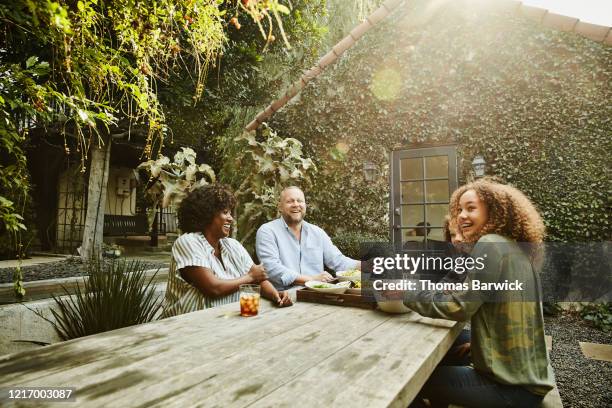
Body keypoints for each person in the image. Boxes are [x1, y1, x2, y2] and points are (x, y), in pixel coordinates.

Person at [406, 179, 554, 407]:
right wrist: (479, 346)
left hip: (511, 389)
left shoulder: (490, 244)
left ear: (494, 210)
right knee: (451, 349)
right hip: (528, 374)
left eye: (471, 208)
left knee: (411, 378)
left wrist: (407, 293)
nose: (461, 216)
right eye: (459, 210)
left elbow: (458, 307)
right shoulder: (513, 247)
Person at [162, 184, 291, 318]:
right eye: (225, 212)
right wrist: (250, 277)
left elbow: (259, 280)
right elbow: (213, 288)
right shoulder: (188, 242)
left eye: (230, 212)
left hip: (227, 320)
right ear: (207, 214)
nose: (230, 218)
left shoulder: (232, 245)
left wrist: (276, 295)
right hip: (185, 326)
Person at [255, 186, 360, 290]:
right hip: (282, 298)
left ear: (305, 205)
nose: (296, 204)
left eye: (300, 201)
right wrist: (311, 279)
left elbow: (338, 261)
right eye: (290, 201)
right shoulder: (267, 231)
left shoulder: (317, 233)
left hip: (315, 294)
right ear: (280, 207)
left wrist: (367, 265)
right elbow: (271, 268)